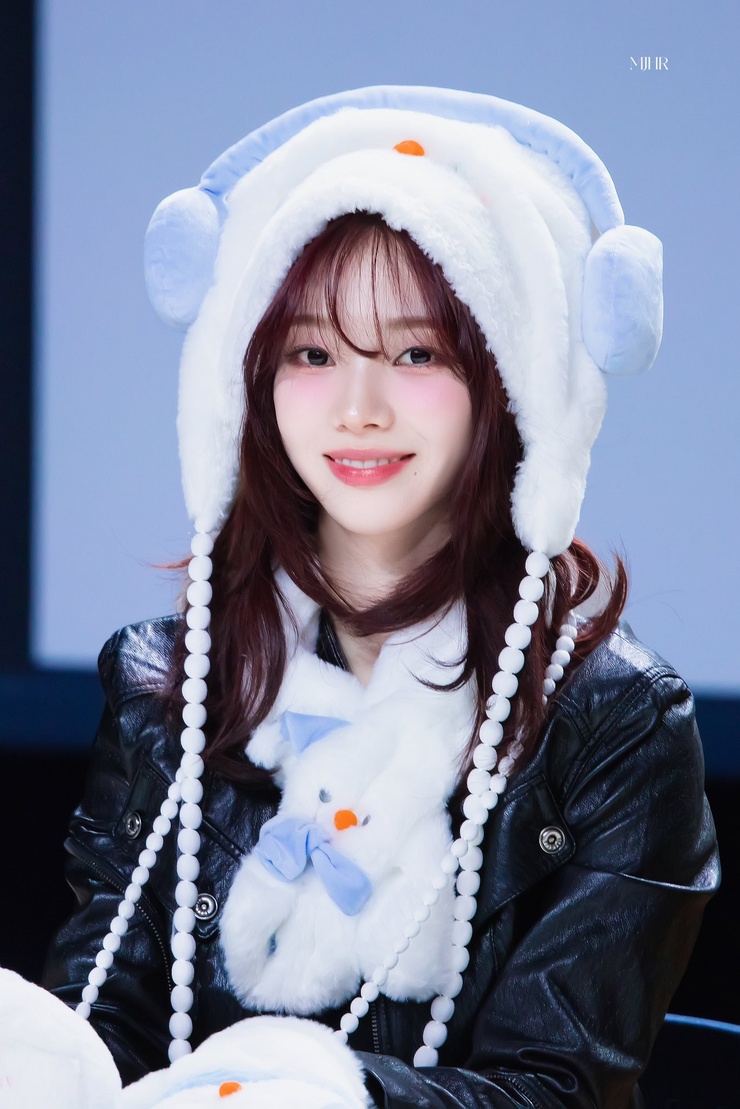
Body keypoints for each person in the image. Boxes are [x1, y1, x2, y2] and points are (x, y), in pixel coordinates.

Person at [43, 87, 719, 1107]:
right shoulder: (162, 679)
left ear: (511, 378)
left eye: (415, 353)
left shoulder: (613, 722)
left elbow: (556, 1089)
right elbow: (98, 1029)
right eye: (312, 354)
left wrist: (312, 1092)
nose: (357, 409)